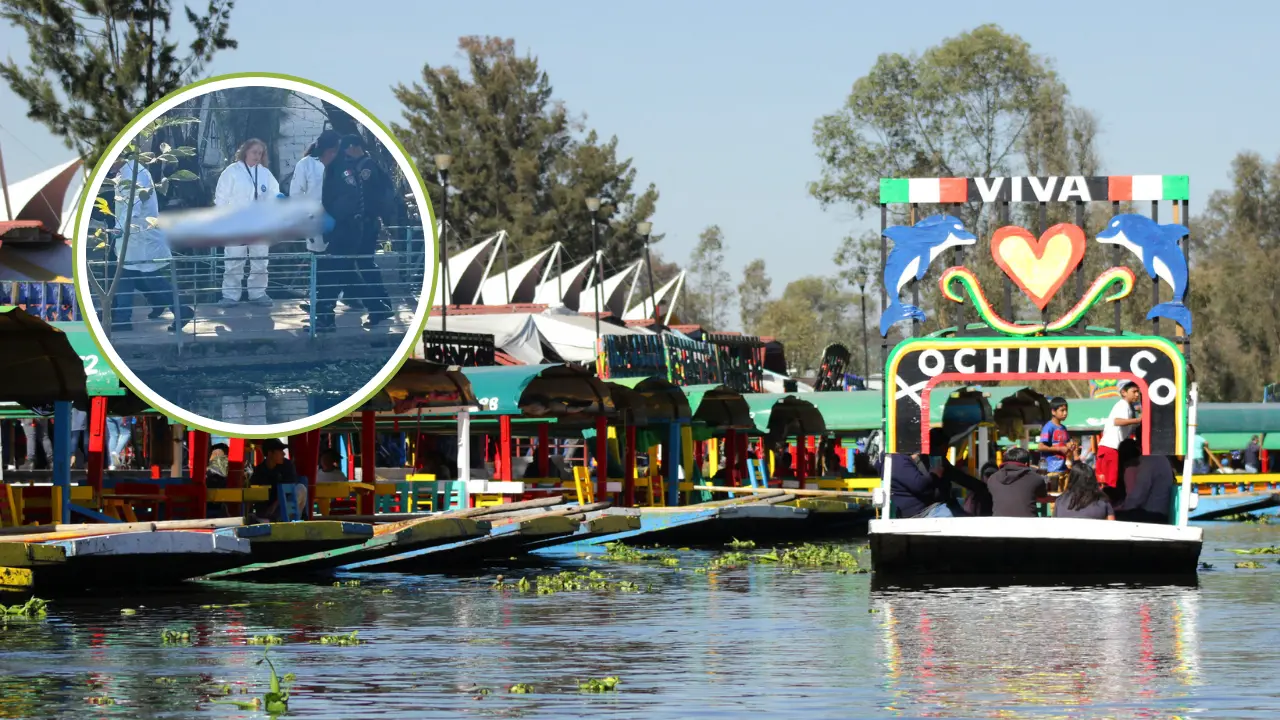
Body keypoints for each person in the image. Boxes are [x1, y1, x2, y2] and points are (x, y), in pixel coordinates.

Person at [311, 135, 393, 332]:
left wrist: (336, 219)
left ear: (329, 152)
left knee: (332, 271)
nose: (321, 161)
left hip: (347, 227)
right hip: (348, 226)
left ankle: (326, 318)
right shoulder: (342, 167)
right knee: (345, 272)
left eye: (321, 157)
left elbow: (347, 199)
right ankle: (376, 306)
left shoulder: (341, 169)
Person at [107, 156, 194, 332]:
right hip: (131, 239)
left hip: (141, 237)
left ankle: (182, 310)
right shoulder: (125, 172)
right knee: (124, 276)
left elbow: (133, 206)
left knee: (152, 279)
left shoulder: (135, 174)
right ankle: (122, 319)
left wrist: (119, 228)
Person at [216, 138, 280, 308]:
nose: (257, 156)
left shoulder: (265, 173)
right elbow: (221, 198)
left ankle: (258, 293)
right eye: (254, 152)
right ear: (245, 151)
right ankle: (230, 295)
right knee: (234, 261)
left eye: (260, 153)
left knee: (260, 260)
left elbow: (274, 194)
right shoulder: (232, 171)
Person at [887, 428, 985, 518]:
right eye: (946, 447)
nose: (946, 451)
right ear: (940, 446)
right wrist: (983, 487)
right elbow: (961, 478)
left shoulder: (916, 461)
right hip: (933, 510)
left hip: (926, 510)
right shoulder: (934, 462)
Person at [1096, 382, 1142, 491]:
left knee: (1105, 481)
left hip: (1108, 448)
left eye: (1137, 392)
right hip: (1110, 448)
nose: (1137, 394)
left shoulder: (1128, 406)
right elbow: (1117, 421)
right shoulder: (1123, 404)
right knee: (1110, 482)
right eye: (1134, 391)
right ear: (1123, 392)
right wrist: (1138, 420)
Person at [985, 446, 1053, 518]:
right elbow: (1042, 497)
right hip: (1029, 526)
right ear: (1027, 464)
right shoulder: (1036, 479)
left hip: (1000, 526)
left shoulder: (992, 479)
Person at [248, 438, 307, 521]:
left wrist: (274, 505)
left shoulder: (287, 465)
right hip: (267, 510)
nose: (283, 454)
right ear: (270, 453)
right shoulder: (259, 470)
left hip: (284, 506)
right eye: (280, 451)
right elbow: (253, 493)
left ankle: (293, 521)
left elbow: (290, 490)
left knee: (301, 488)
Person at [1116, 455, 1174, 524]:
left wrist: (1124, 507)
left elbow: (1139, 494)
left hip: (1152, 514)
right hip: (1161, 512)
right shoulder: (1162, 459)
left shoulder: (1150, 461)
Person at [1036, 397, 1075, 475]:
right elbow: (1040, 447)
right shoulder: (1048, 427)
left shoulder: (1063, 428)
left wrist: (1070, 446)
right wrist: (1059, 449)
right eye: (1062, 410)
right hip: (1050, 470)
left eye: (1066, 410)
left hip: (1062, 468)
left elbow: (1066, 444)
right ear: (1053, 412)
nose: (1065, 413)